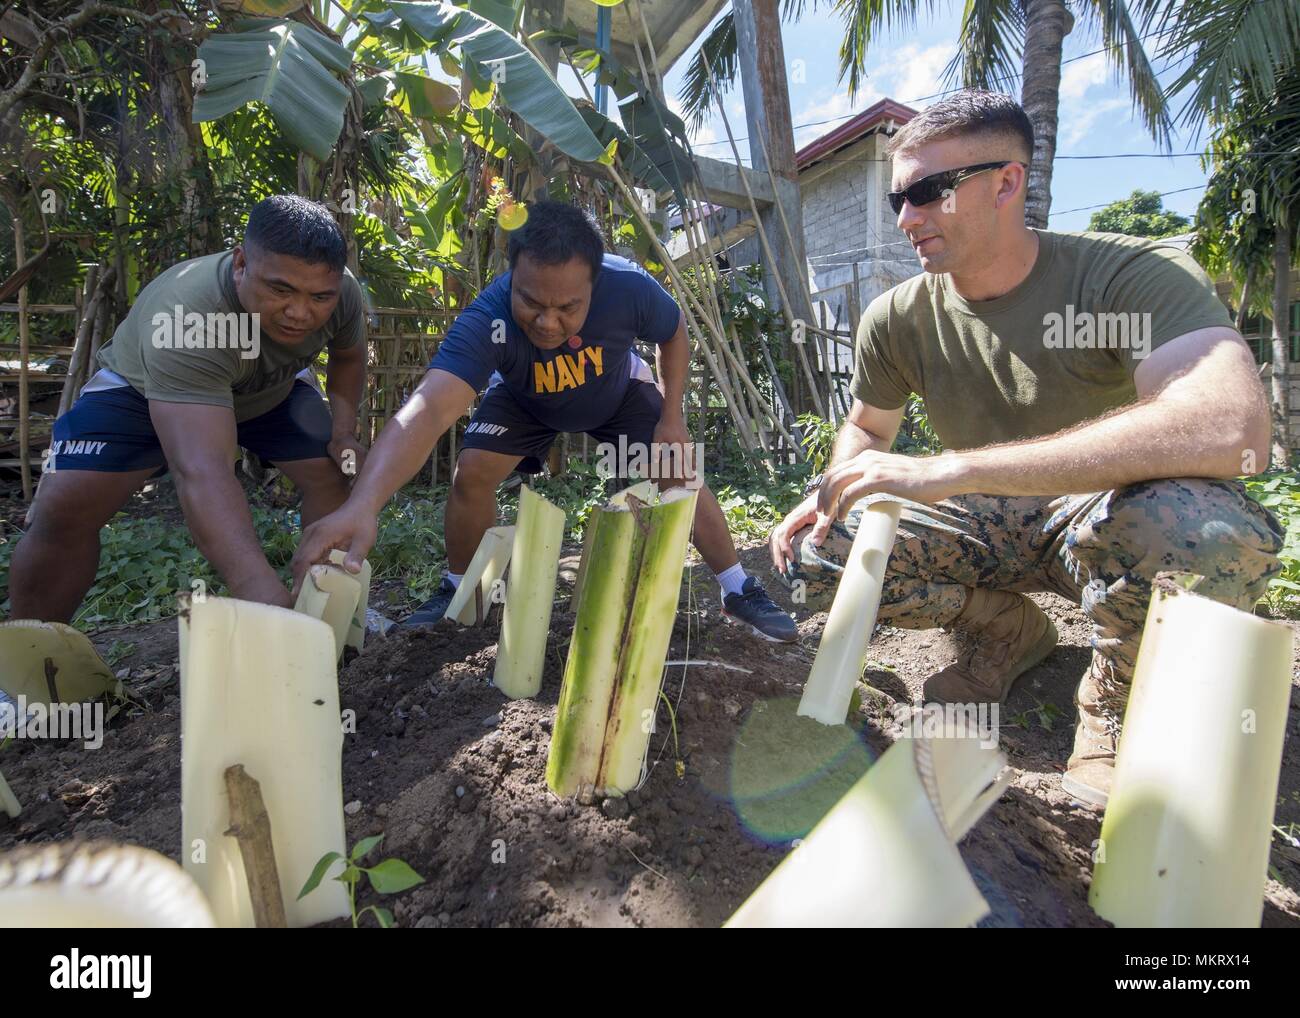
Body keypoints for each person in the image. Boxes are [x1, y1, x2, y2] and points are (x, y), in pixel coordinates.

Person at [768, 90, 1282, 807]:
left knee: (1204, 534)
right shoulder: (897, 317)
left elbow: (1230, 428)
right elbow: (867, 427)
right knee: (822, 551)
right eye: (897, 201)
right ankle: (1003, 632)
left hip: (1099, 524)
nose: (907, 218)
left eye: (927, 193)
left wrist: (954, 468)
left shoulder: (1127, 276)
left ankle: (1115, 702)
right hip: (984, 524)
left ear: (1006, 182)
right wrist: (831, 488)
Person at [293, 201, 796, 642]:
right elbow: (428, 409)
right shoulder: (487, 318)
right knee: (472, 472)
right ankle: (462, 590)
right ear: (513, 275)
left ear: (595, 285)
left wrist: (672, 415)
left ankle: (736, 587)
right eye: (531, 302)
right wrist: (362, 505)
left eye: (567, 307)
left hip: (617, 392)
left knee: (677, 468)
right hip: (524, 400)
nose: (547, 321)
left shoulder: (629, 288)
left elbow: (674, 331)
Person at [9, 195, 368, 620]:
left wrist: (343, 433)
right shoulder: (186, 316)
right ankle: (28, 658)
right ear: (240, 264)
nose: (300, 312)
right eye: (280, 289)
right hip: (143, 392)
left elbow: (349, 356)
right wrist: (263, 600)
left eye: (319, 298)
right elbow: (203, 471)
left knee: (334, 474)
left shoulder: (342, 291)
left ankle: (331, 617)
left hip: (269, 392)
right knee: (64, 506)